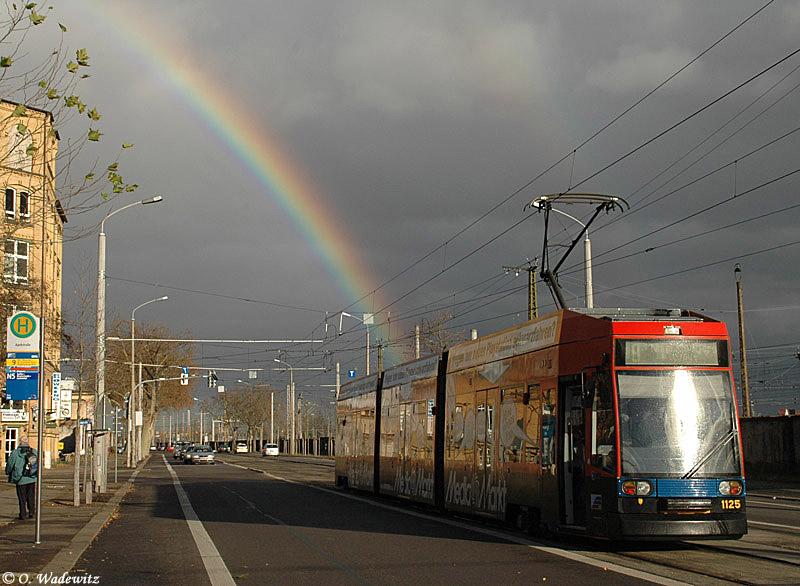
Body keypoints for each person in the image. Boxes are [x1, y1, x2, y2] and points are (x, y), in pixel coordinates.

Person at [5, 436, 37, 520]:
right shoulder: (34, 451)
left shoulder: (15, 453)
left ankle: (22, 513)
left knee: (21, 497)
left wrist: (7, 472)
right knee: (31, 495)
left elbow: (10, 464)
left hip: (20, 477)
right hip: (32, 477)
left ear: (20, 442)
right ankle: (31, 511)